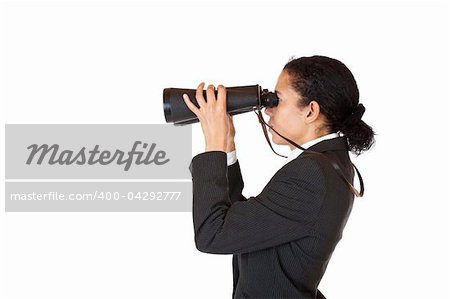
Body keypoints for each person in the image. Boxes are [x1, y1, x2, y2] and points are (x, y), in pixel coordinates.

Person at [183, 55, 375, 299]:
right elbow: (241, 224)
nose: (268, 108)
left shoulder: (312, 173)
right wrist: (227, 147)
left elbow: (212, 234)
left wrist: (214, 145)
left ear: (310, 111)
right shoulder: (329, 164)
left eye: (277, 99)